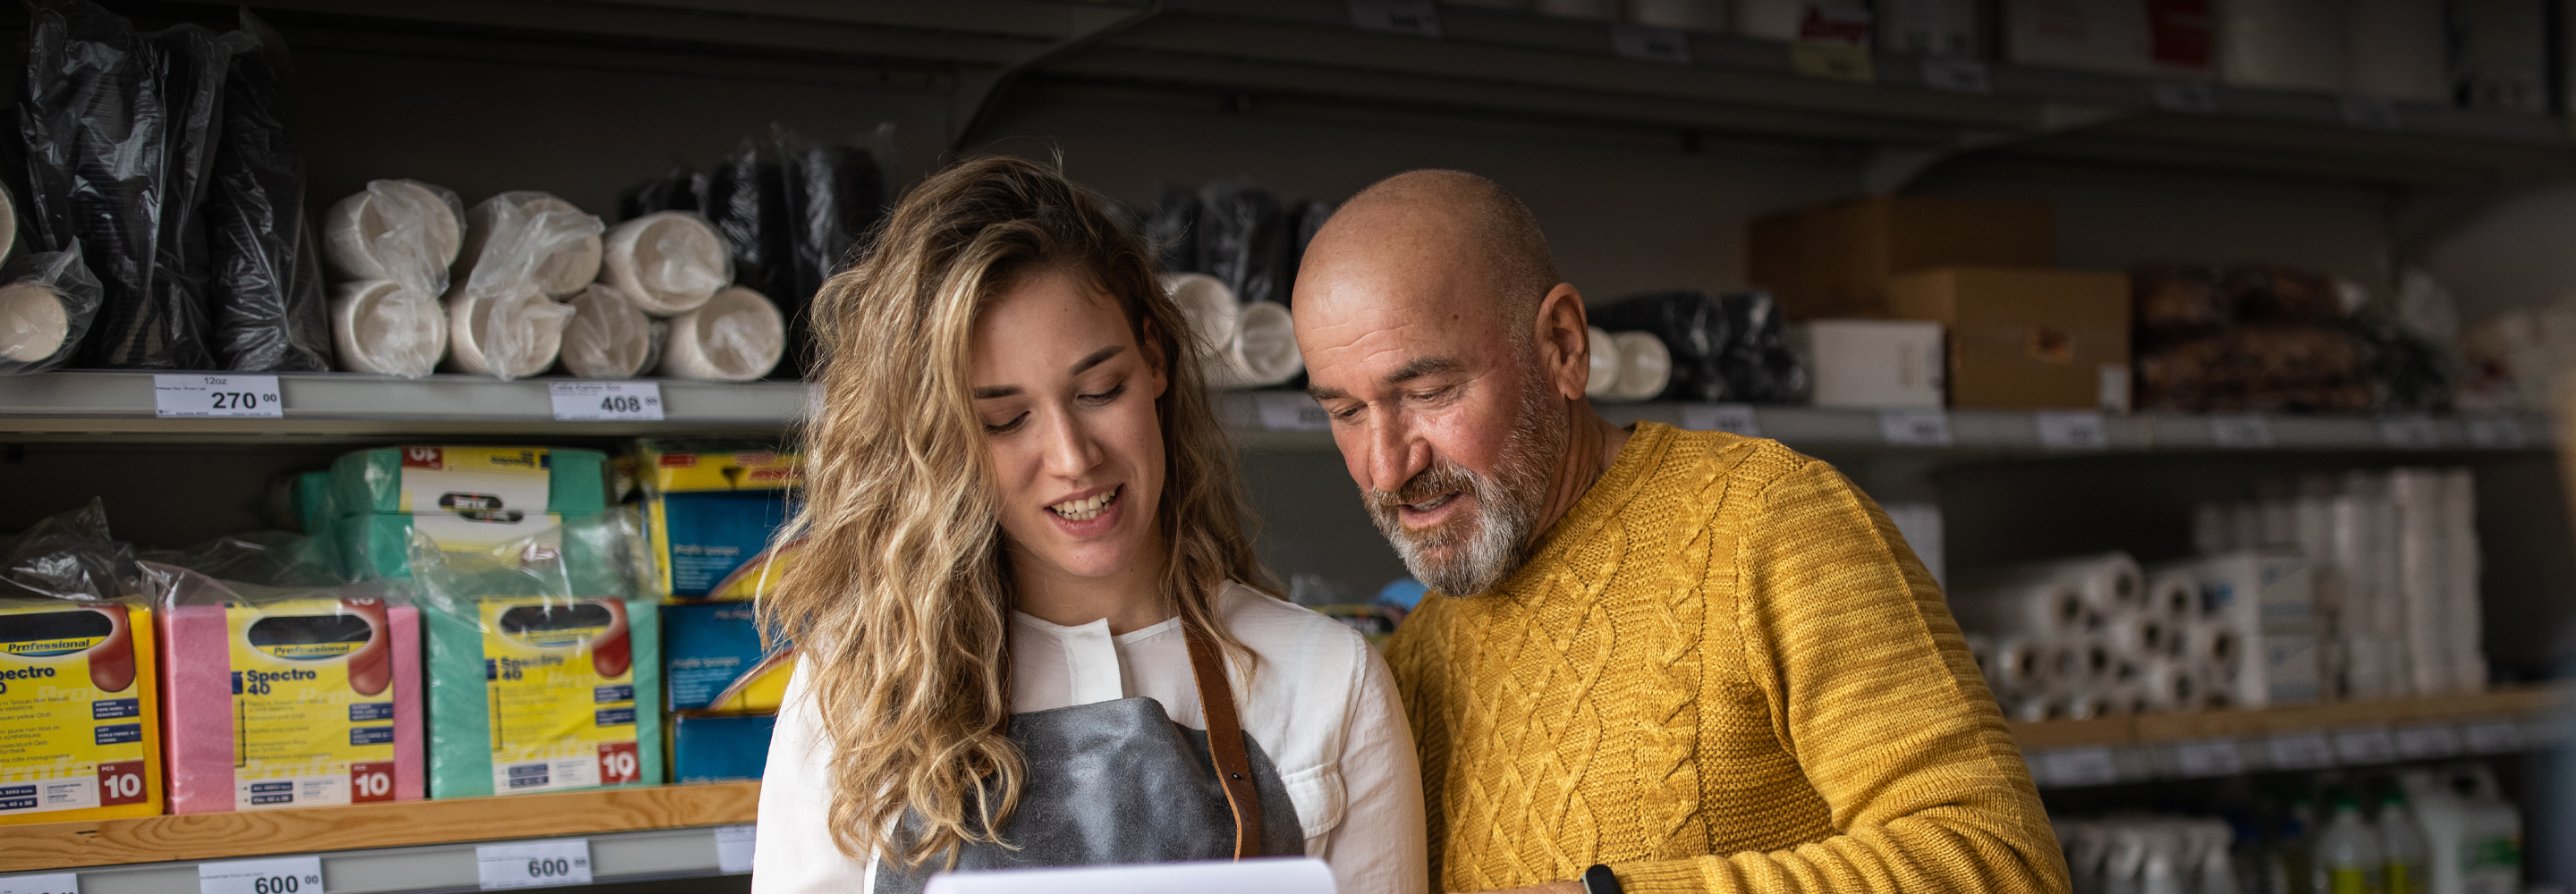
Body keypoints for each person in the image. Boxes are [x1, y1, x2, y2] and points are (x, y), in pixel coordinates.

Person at [1292, 170, 2067, 894]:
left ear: (1562, 345)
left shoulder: (1773, 524)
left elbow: (1999, 860)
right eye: (1346, 413)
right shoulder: (1417, 662)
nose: (1388, 466)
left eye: (1427, 391)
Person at [754, 156, 1425, 894]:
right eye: (1005, 421)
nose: (1073, 459)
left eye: (1101, 390)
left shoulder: (1329, 679)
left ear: (1155, 358)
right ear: (939, 440)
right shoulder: (857, 692)